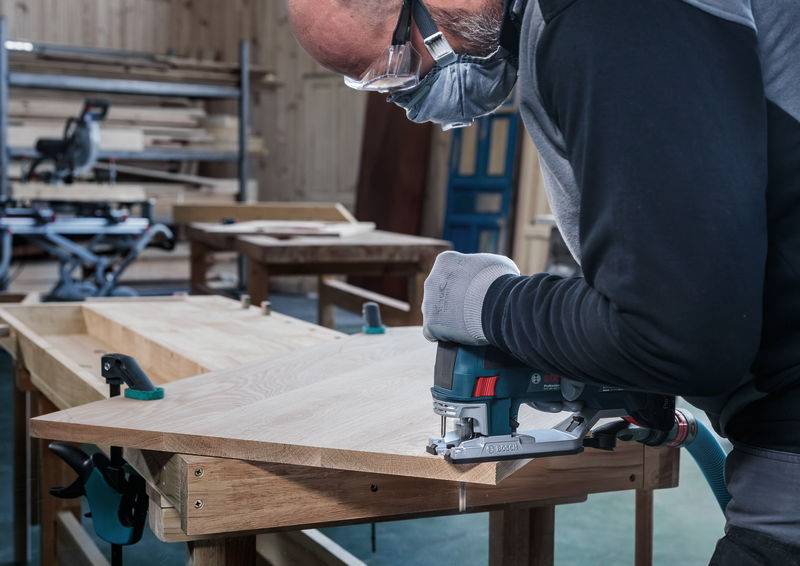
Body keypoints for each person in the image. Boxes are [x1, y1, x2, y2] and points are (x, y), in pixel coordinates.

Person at [288, 1, 800, 563]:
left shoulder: (609, 18)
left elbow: (680, 334)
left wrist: (487, 302)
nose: (406, 102)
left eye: (397, 67)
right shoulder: (559, 25)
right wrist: (619, 357)